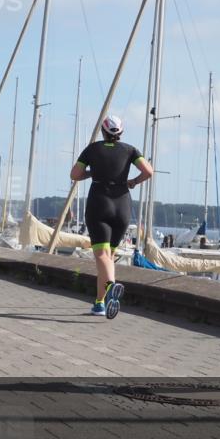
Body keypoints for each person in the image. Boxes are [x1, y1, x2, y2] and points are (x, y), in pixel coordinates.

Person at [70, 114, 154, 319]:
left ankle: (111, 285)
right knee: (108, 258)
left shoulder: (92, 149)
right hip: (122, 205)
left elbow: (74, 174)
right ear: (121, 132)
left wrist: (91, 173)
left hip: (99, 204)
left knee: (101, 255)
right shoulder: (130, 150)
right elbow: (149, 171)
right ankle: (99, 303)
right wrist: (133, 181)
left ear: (103, 131)